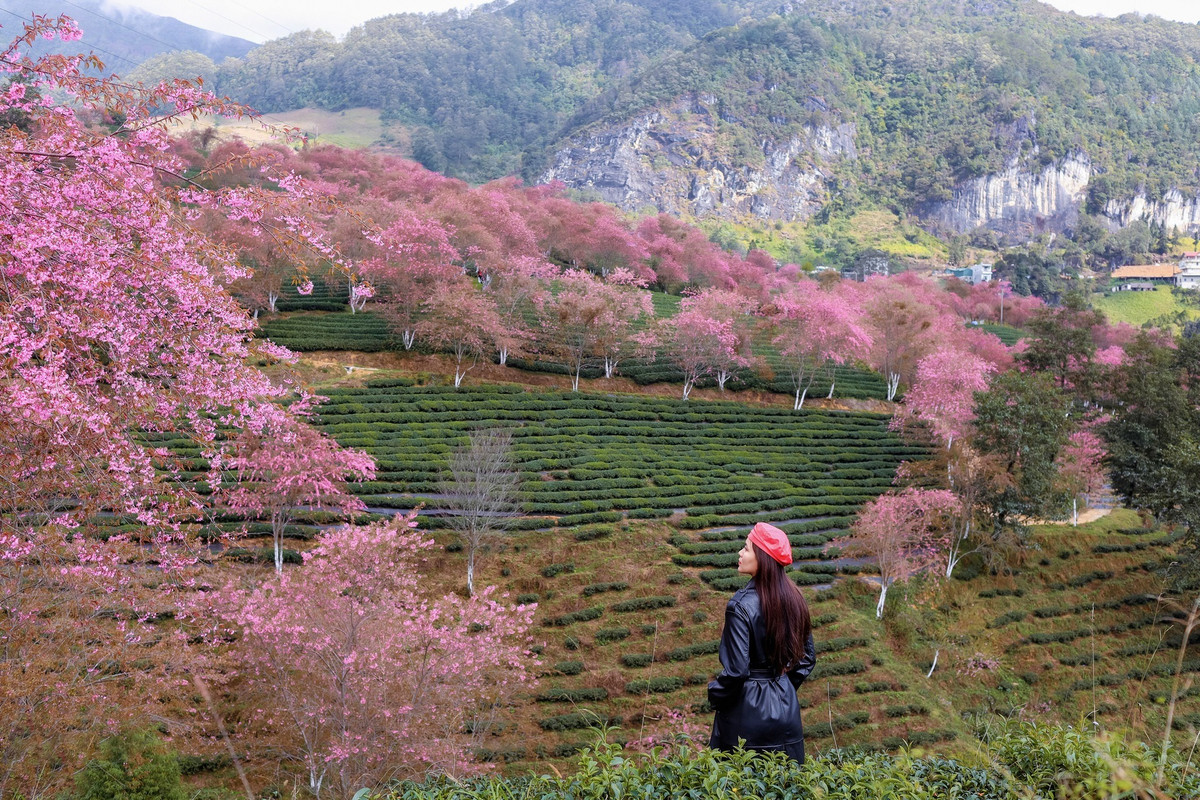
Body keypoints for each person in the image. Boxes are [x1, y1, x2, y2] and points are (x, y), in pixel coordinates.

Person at [708, 521, 816, 764]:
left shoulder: (739, 606)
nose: (740, 553)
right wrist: (781, 687)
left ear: (763, 558)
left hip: (745, 718)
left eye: (746, 548)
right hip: (787, 713)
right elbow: (807, 659)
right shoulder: (796, 599)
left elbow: (737, 671)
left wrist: (715, 694)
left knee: (740, 779)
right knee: (787, 781)